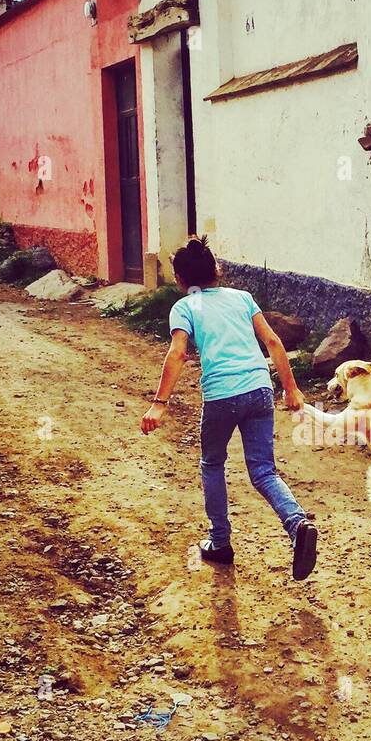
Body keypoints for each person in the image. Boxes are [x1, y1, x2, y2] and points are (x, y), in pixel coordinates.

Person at [141, 236, 318, 580]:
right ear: (217, 270)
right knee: (264, 471)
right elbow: (273, 341)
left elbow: (178, 353)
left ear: (179, 280)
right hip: (259, 390)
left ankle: (220, 542)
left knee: (212, 463)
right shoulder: (243, 298)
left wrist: (159, 404)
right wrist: (291, 388)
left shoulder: (185, 307)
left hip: (222, 396)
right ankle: (297, 524)